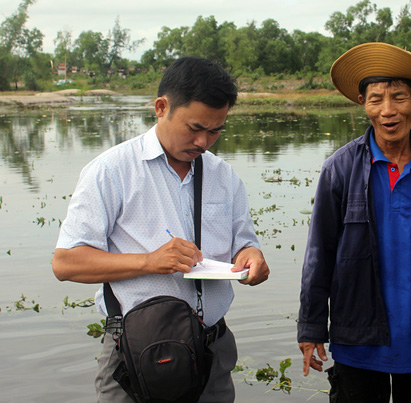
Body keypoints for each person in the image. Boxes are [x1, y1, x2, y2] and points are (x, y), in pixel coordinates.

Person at [52, 56, 270, 403]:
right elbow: (66, 263)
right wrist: (149, 261)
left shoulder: (223, 176)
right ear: (161, 107)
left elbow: (242, 244)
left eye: (215, 130)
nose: (203, 142)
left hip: (211, 347)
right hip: (135, 350)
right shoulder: (111, 171)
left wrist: (251, 256)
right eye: (194, 127)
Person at [297, 42, 411, 402]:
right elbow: (319, 255)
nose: (388, 111)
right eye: (376, 99)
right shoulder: (340, 169)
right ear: (363, 103)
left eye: (399, 97)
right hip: (356, 339)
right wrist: (311, 326)